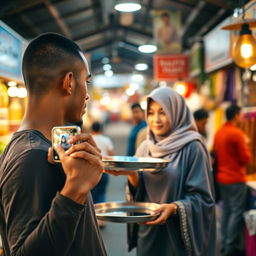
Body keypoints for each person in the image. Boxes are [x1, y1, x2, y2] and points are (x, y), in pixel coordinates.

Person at [0, 33, 106, 256]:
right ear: (68, 82)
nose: (87, 95)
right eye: (86, 81)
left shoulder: (35, 148)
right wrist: (75, 190)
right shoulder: (31, 156)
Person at [106, 87, 216, 256]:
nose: (155, 119)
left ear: (176, 112)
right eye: (150, 113)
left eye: (163, 112)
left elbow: (203, 199)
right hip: (148, 234)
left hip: (177, 235)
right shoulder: (145, 147)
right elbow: (138, 192)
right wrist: (131, 174)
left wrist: (174, 208)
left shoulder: (193, 147)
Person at [213, 104, 251, 256]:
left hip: (221, 178)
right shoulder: (236, 133)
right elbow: (245, 158)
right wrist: (247, 144)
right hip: (235, 179)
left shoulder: (219, 132)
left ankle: (224, 244)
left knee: (227, 211)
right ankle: (230, 248)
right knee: (236, 213)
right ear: (236, 115)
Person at [90, 121, 114, 228]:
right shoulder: (106, 139)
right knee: (101, 194)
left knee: (92, 195)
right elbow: (111, 155)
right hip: (104, 170)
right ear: (100, 129)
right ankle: (101, 220)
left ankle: (92, 219)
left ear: (92, 129)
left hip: (91, 171)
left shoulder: (88, 139)